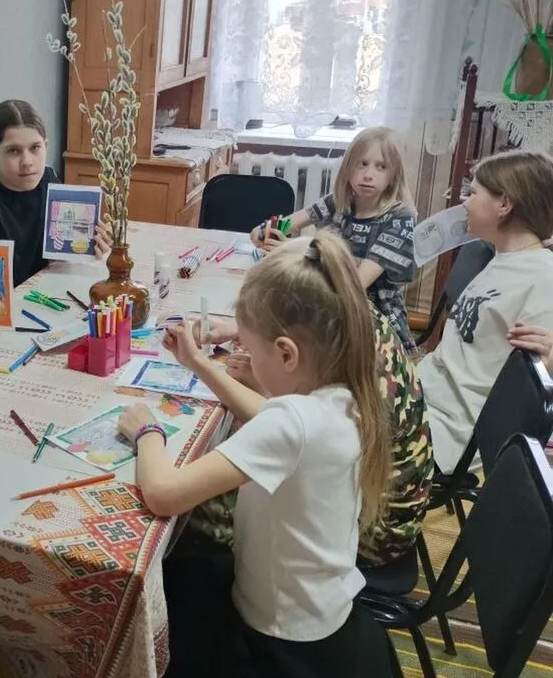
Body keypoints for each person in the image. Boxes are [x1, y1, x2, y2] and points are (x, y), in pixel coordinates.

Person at [117, 232, 391, 677]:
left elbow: (163, 494)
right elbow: (270, 418)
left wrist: (147, 432)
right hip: (317, 611)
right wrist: (198, 364)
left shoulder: (294, 424)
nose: (243, 355)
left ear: (286, 354)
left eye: (247, 346)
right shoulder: (341, 395)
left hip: (278, 641)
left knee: (169, 577)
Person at [174, 303, 432, 569]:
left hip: (372, 531)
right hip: (374, 502)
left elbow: (287, 430)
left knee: (196, 508)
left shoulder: (339, 372)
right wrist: (245, 335)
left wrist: (211, 368)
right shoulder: (345, 312)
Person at [417, 151, 553, 474]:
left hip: (448, 430)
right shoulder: (501, 257)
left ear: (504, 204)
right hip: (425, 394)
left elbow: (532, 382)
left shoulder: (543, 276)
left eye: (473, 192)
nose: (465, 202)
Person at [251, 127, 417, 351]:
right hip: (327, 306)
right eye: (362, 164)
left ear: (393, 175)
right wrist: (265, 232)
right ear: (348, 168)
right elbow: (282, 225)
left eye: (381, 167)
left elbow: (355, 283)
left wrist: (290, 251)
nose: (368, 174)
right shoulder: (339, 201)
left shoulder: (400, 219)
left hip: (373, 324)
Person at [0, 99, 109, 287]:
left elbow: (60, 249)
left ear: (46, 146)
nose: (27, 161)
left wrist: (89, 247)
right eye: (13, 151)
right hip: (7, 299)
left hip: (43, 288)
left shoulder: (49, 177)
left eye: (35, 148)